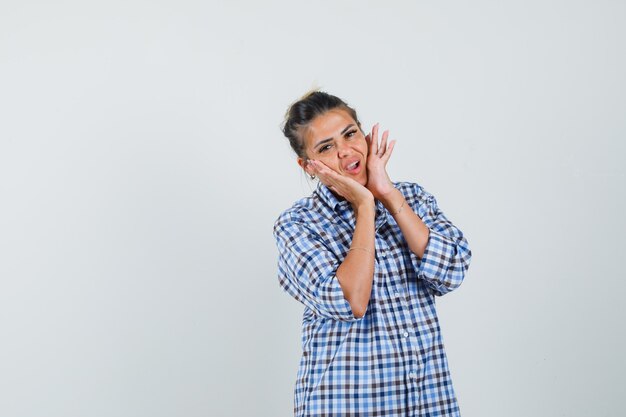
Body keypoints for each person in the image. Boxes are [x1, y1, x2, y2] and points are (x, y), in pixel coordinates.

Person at [273, 90, 472, 417]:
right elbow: (352, 300)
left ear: (364, 134)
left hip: (426, 402)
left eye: (350, 134)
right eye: (326, 147)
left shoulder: (411, 197)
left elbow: (450, 270)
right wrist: (364, 204)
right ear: (308, 165)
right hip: (347, 405)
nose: (345, 151)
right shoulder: (298, 224)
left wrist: (387, 194)